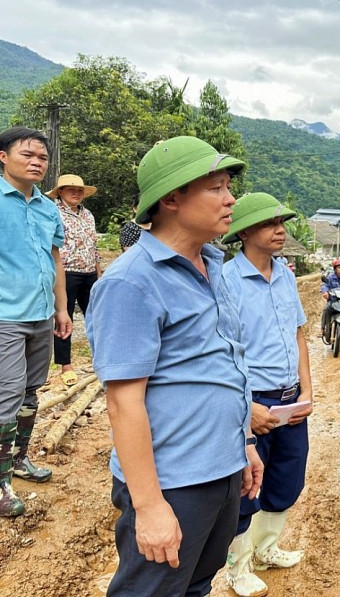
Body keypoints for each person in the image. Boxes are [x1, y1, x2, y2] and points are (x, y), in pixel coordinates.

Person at [86, 136, 263, 597]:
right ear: (170, 199)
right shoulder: (132, 282)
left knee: (197, 584)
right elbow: (123, 404)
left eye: (228, 187)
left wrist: (243, 442)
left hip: (222, 469)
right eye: (216, 188)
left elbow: (226, 364)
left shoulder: (212, 264)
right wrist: (149, 506)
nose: (230, 199)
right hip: (173, 482)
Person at [221, 193, 313, 596]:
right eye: (268, 224)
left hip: (290, 399)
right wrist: (247, 408)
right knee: (245, 487)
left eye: (281, 223)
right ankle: (237, 568)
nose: (279, 231)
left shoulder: (286, 275)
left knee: (287, 478)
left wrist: (307, 389)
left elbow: (298, 334)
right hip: (254, 399)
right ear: (243, 232)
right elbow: (223, 351)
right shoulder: (226, 280)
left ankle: (265, 549)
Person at [0, 127, 72, 516]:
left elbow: (54, 259)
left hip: (41, 314)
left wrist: (61, 308)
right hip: (5, 316)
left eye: (42, 157)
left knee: (30, 390)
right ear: (3, 157)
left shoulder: (47, 208)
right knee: (7, 395)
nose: (36, 162)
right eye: (27, 154)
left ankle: (18, 459)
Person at [45, 174, 102, 387]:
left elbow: (94, 246)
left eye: (79, 190)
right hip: (66, 272)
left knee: (96, 316)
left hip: (89, 271)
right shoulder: (53, 212)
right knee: (64, 317)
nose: (76, 193)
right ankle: (65, 365)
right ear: (60, 191)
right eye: (71, 189)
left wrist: (98, 272)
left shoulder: (88, 215)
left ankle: (100, 357)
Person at [320, 257, 340, 343]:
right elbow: (325, 285)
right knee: (326, 310)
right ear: (335, 269)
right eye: (339, 267)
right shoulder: (331, 277)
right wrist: (325, 292)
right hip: (333, 301)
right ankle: (322, 329)